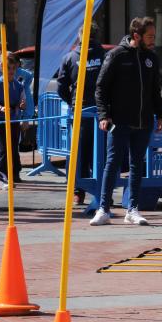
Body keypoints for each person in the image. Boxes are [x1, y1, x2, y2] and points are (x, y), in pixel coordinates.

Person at [90, 16, 162, 227]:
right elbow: (100, 87)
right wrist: (103, 115)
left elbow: (155, 90)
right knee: (112, 163)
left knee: (137, 164)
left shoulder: (151, 58)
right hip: (119, 120)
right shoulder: (116, 55)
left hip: (143, 121)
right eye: (149, 36)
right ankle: (103, 209)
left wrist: (161, 115)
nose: (153, 40)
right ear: (136, 36)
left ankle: (132, 209)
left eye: (154, 36)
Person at [58, 22, 106, 205]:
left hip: (81, 111)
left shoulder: (69, 57)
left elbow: (61, 87)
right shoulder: (105, 56)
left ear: (80, 37)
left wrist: (73, 101)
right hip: (102, 112)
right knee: (102, 152)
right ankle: (103, 191)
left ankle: (79, 191)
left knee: (79, 153)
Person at [0, 52, 27, 189]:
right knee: (1, 149)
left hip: (14, 121)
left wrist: (22, 105)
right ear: (2, 67)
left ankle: (8, 175)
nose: (11, 71)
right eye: (8, 68)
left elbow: (23, 100)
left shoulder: (18, 85)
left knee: (12, 150)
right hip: (0, 121)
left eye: (13, 68)